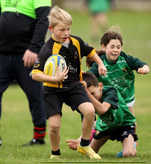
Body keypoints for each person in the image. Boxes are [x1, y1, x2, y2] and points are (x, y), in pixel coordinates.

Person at [31, 6, 107, 159]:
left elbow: (90, 51)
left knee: (90, 111)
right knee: (54, 126)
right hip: (53, 90)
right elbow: (35, 74)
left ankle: (85, 145)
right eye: (62, 30)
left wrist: (100, 64)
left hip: (73, 86)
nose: (66, 33)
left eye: (68, 29)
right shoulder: (47, 49)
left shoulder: (76, 41)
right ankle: (55, 153)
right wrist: (54, 78)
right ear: (51, 29)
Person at [0, 0, 51, 146]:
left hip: (27, 56)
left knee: (35, 96)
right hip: (2, 55)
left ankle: (39, 137)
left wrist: (34, 49)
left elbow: (43, 21)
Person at [66, 72, 138, 157]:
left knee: (128, 153)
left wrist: (87, 93)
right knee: (89, 154)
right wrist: (80, 140)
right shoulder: (87, 102)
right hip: (106, 127)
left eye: (92, 93)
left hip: (123, 124)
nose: (90, 97)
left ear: (100, 86)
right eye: (86, 94)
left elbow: (102, 109)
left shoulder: (110, 91)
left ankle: (131, 145)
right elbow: (89, 124)